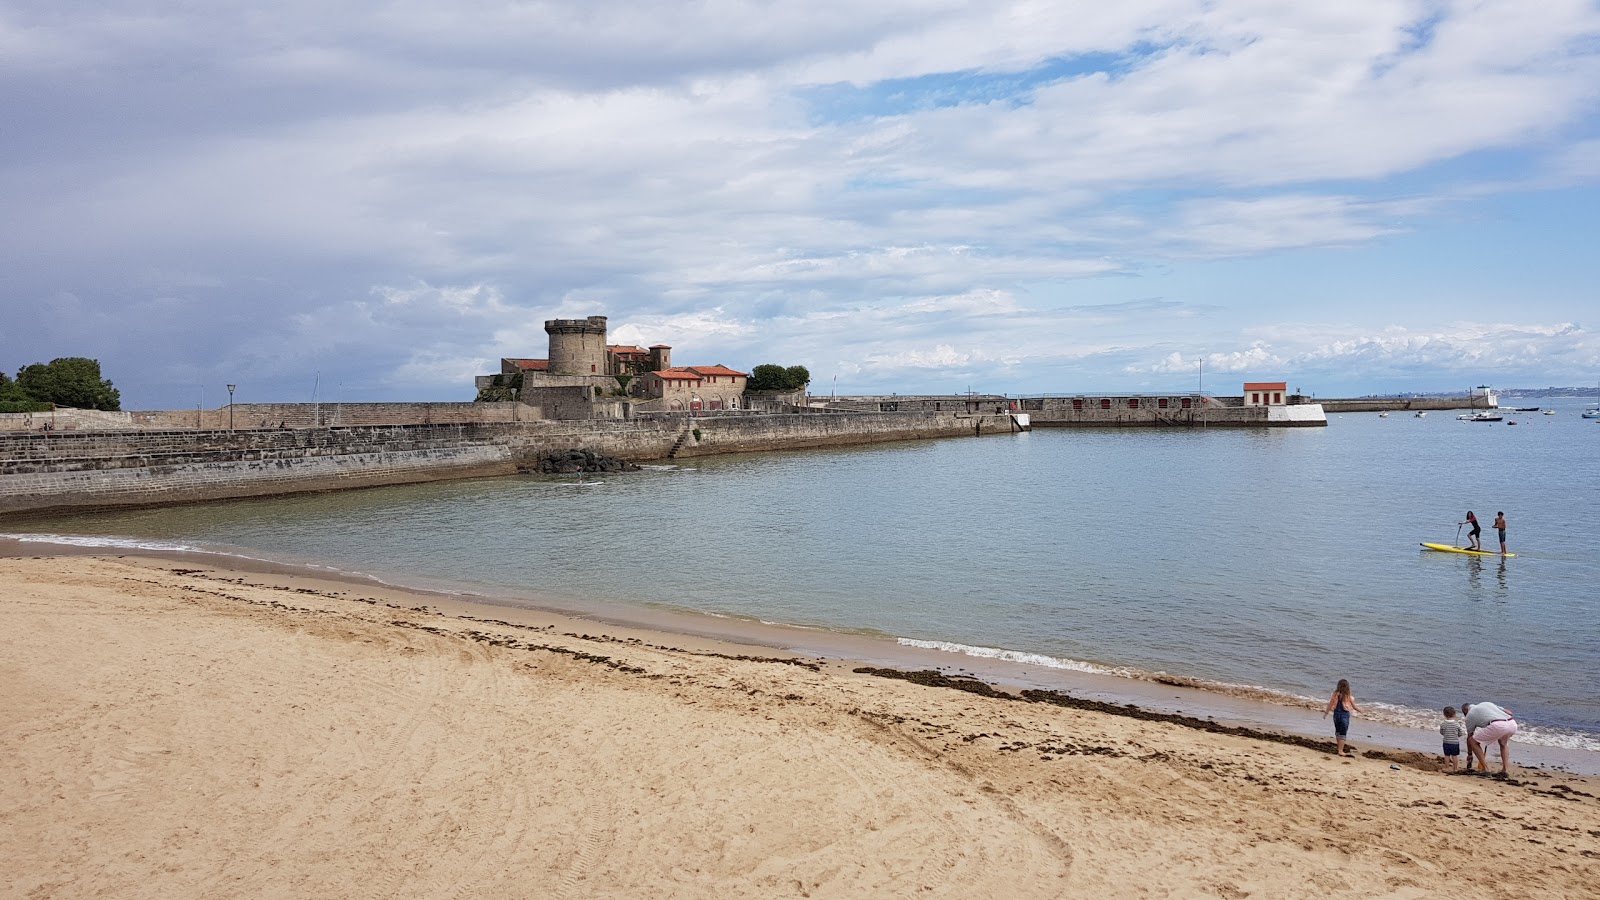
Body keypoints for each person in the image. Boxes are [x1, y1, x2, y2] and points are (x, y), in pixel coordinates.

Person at [1462, 701, 1518, 775]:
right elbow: (1509, 712)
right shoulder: (1486, 704)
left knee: (1473, 741)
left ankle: (1486, 769)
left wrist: (1470, 754)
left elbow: (1470, 736)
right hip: (1512, 724)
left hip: (1497, 725)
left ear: (1465, 711)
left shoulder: (1469, 715)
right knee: (1503, 744)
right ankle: (1505, 770)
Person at [1323, 679, 1362, 756]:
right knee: (1343, 733)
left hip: (1336, 715)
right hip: (1344, 715)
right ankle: (1340, 751)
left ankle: (1339, 748)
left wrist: (1326, 713)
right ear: (1347, 687)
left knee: (1338, 731)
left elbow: (1330, 704)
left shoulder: (1335, 694)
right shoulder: (1348, 695)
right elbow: (1354, 706)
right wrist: (1360, 710)